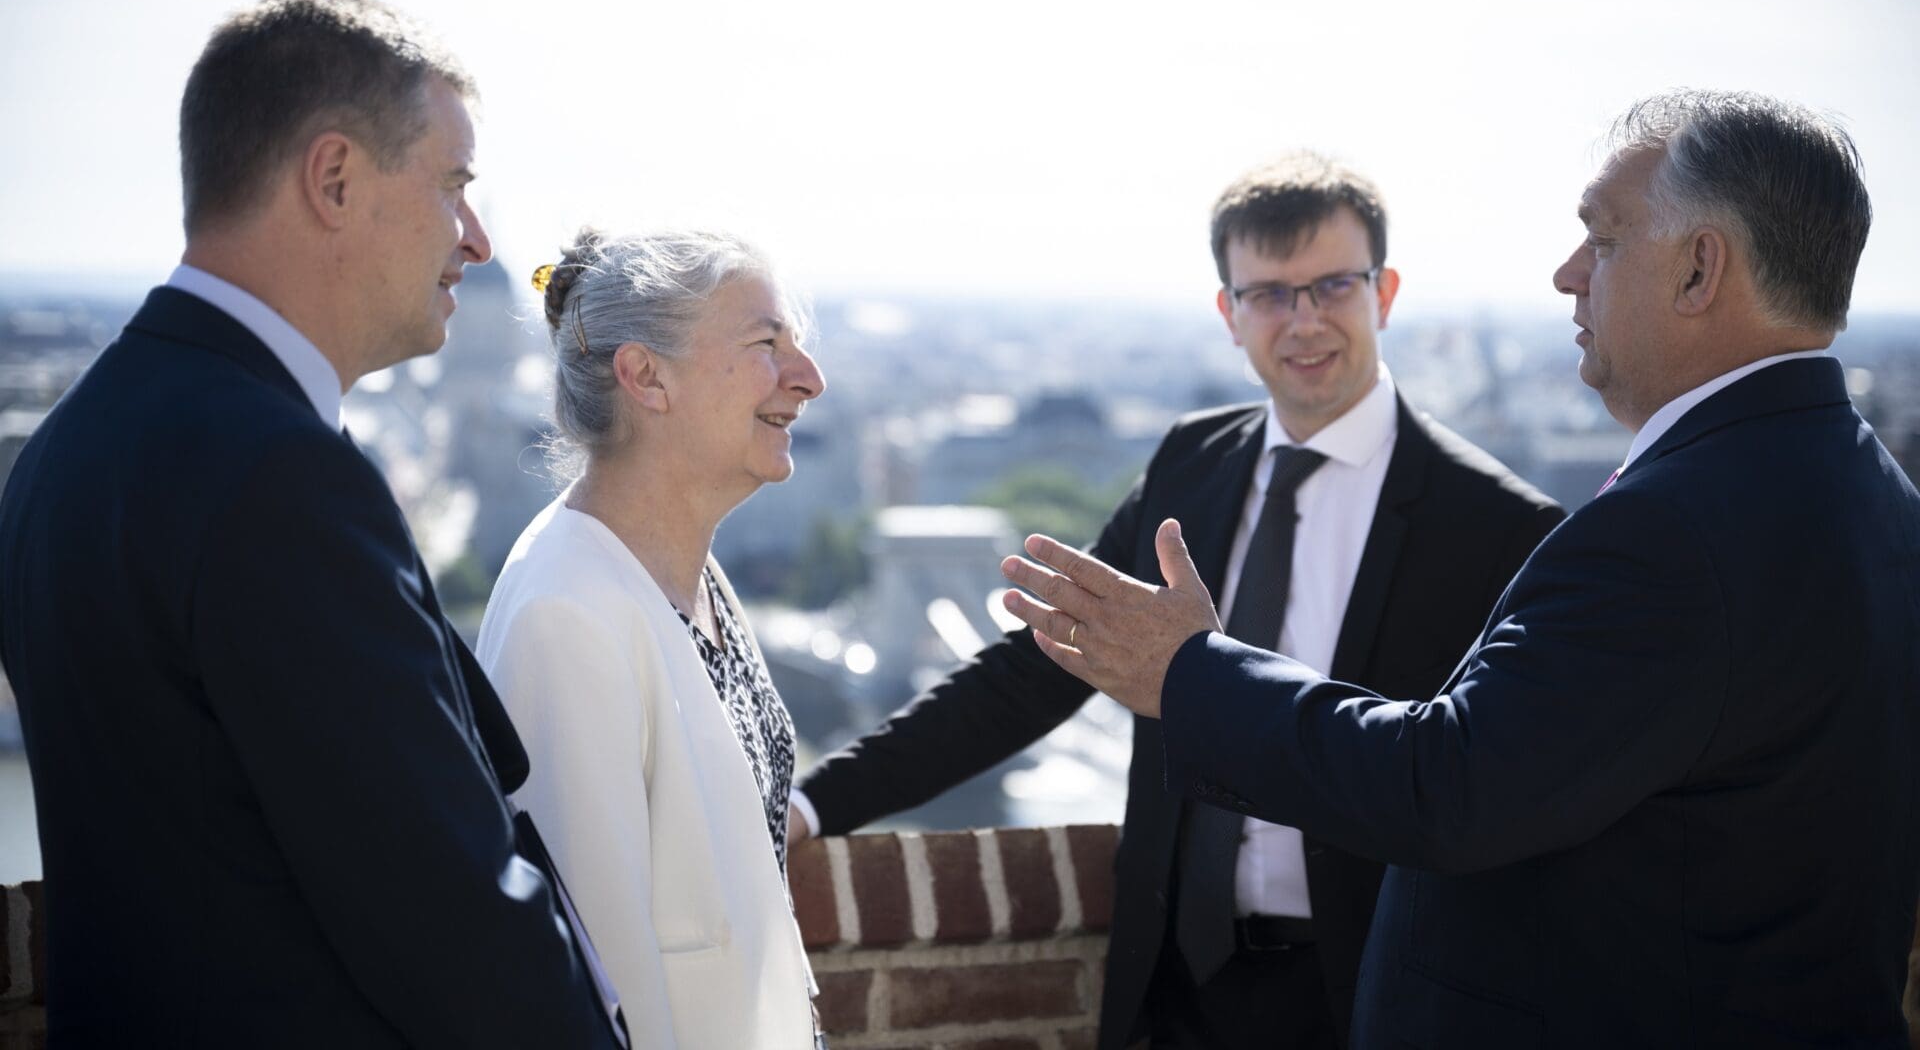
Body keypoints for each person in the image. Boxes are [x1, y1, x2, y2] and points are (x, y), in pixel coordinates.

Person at [1000, 90, 1919, 1049]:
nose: (1568, 274)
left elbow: (1448, 789)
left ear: (1699, 270)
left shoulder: (1669, 533)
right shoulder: (1879, 499)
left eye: (1601, 240)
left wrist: (1192, 673)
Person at [792, 154, 1561, 1049]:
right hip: (1174, 989)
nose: (1302, 319)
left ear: (1384, 293)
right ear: (1228, 315)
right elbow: (1033, 675)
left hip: (1367, 993)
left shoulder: (1499, 526)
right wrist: (815, 808)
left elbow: (1500, 793)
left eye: (1332, 287)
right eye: (1268, 293)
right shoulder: (1191, 467)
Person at [0, 0, 625, 1048]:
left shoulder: (65, 449)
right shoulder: (279, 477)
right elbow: (449, 920)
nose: (473, 239)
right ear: (334, 179)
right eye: (452, 187)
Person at [476, 228, 825, 1049]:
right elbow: (591, 989)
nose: (808, 378)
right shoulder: (564, 618)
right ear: (645, 377)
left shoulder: (685, 573)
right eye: (766, 343)